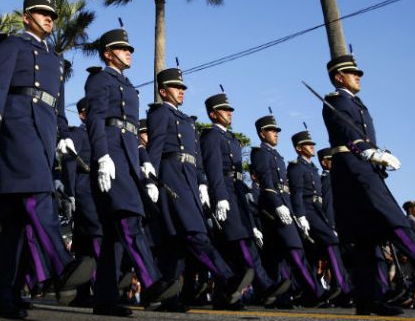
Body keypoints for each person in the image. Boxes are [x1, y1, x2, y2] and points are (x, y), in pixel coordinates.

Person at [321, 54, 415, 316]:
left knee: (365, 239)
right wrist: (367, 150)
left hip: (362, 170)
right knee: (397, 224)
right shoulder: (336, 100)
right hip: (355, 170)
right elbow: (347, 132)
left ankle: (369, 299)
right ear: (338, 77)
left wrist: (375, 154)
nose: (358, 76)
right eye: (352, 73)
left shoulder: (357, 103)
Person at [0, 0, 94, 319]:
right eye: (42, 12)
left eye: (53, 15)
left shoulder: (55, 59)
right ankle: (62, 264)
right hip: (18, 125)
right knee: (38, 195)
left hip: (43, 133)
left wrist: (62, 135)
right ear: (26, 16)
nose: (49, 18)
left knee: (17, 225)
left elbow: (57, 104)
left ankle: (1, 295)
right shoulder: (12, 46)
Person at [84, 27, 178, 317]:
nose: (129, 52)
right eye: (123, 48)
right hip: (111, 156)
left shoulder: (128, 86)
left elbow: (133, 131)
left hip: (129, 160)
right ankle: (151, 281)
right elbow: (97, 120)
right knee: (129, 217)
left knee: (113, 235)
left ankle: (105, 298)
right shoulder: (101, 79)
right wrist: (102, 156)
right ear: (108, 53)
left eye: (130, 49)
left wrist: (144, 160)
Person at [146, 68, 253, 312]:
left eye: (183, 88)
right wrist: (150, 179)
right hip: (171, 179)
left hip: (190, 180)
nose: (181, 91)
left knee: (176, 242)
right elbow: (156, 147)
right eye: (176, 87)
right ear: (163, 91)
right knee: (195, 234)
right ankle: (228, 278)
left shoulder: (186, 120)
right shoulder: (160, 113)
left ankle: (170, 297)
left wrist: (203, 182)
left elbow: (197, 158)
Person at [199, 92, 287, 310]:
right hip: (225, 192)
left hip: (237, 193)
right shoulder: (211, 136)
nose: (229, 114)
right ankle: (265, 286)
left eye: (230, 110)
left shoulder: (232, 139)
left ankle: (225, 297)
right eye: (225, 110)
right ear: (213, 114)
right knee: (241, 243)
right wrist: (218, 196)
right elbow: (213, 169)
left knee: (230, 246)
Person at [250, 115, 323, 307]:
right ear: (262, 133)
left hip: (284, 204)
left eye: (276, 131)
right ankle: (314, 291)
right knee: (294, 248)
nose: (276, 134)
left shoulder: (277, 156)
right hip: (273, 206)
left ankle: (280, 296)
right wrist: (277, 203)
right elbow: (266, 181)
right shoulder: (260, 153)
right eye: (272, 130)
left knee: (277, 255)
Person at [287, 130, 351, 300]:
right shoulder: (296, 166)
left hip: (317, 209)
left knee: (315, 253)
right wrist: (300, 215)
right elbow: (297, 193)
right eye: (308, 144)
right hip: (307, 209)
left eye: (313, 144)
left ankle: (313, 291)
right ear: (299, 148)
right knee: (331, 240)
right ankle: (341, 284)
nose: (312, 147)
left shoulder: (312, 168)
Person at [60, 97, 103, 307]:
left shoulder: (101, 136)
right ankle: (101, 287)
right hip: (84, 187)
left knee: (85, 242)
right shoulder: (79, 133)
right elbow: (68, 162)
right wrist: (70, 192)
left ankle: (84, 293)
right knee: (96, 235)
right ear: (83, 115)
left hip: (98, 189)